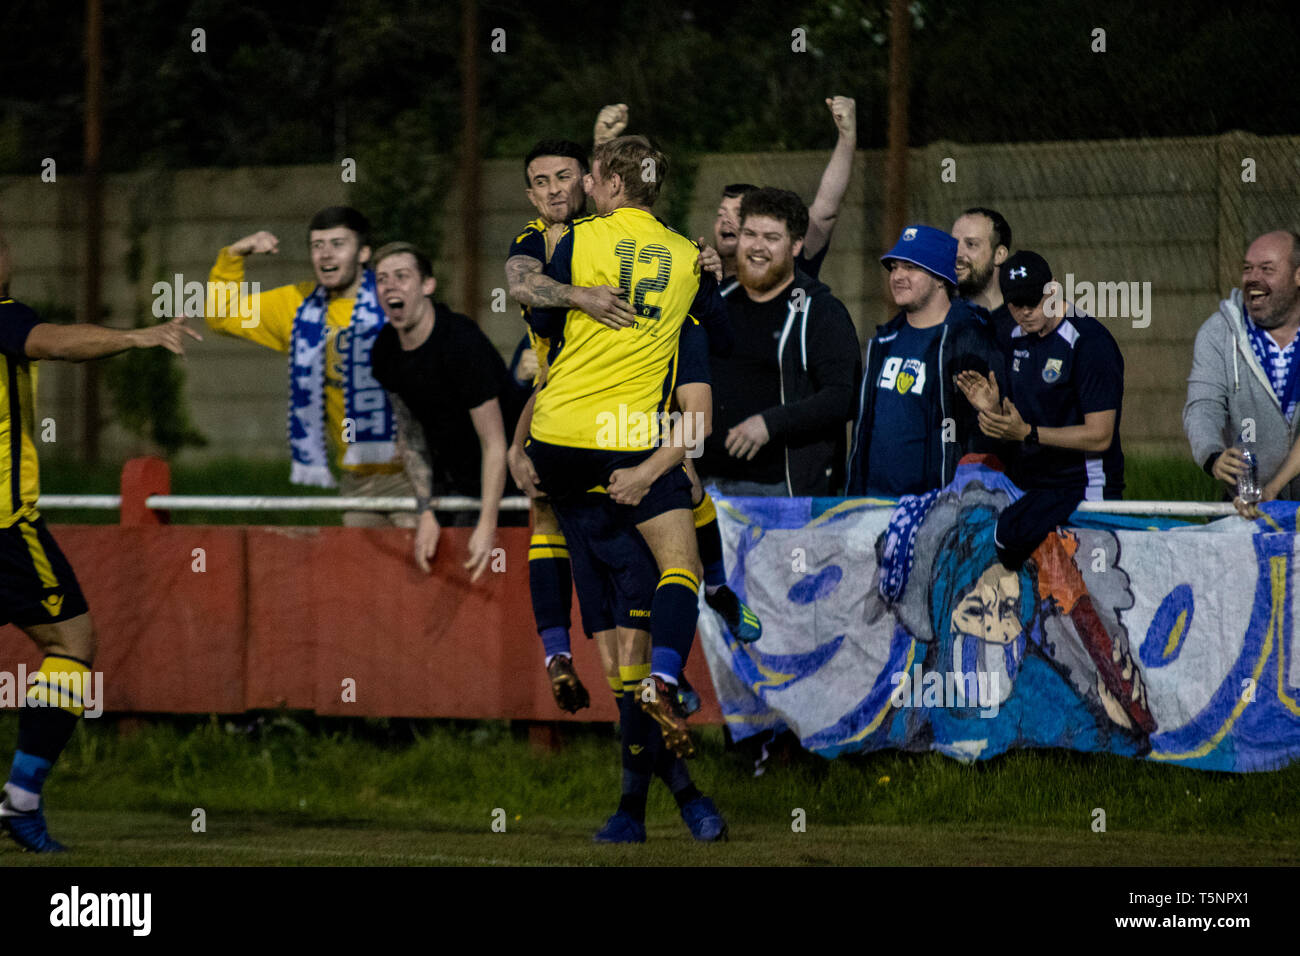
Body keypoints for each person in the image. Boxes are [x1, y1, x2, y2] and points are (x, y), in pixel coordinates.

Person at [519, 134, 732, 757]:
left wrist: (578, 297)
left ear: (610, 184)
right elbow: (711, 330)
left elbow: (533, 304)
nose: (581, 187)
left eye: (590, 178)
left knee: (568, 544)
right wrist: (706, 270)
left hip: (555, 439)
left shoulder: (578, 239)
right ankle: (665, 679)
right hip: (626, 442)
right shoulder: (687, 259)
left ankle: (564, 653)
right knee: (677, 568)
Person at [0, 232, 201, 852]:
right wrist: (135, 336)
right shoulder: (4, 318)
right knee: (72, 643)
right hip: (5, 527)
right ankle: (21, 802)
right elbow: (52, 341)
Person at [205, 206, 413, 527]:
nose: (326, 255)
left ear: (363, 252)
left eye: (338, 244)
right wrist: (234, 255)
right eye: (317, 246)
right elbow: (222, 316)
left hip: (414, 472)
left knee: (425, 572)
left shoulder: (397, 299)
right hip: (358, 478)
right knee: (365, 574)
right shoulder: (297, 305)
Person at [956, 251, 1125, 569]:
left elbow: (1100, 436)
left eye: (1034, 300)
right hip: (1034, 491)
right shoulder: (1015, 340)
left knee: (1090, 596)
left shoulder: (1089, 343)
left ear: (1054, 290)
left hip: (1086, 491)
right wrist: (993, 409)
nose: (1026, 311)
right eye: (1017, 304)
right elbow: (1019, 422)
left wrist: (1029, 434)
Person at [698, 187, 860, 495]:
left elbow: (843, 397)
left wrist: (770, 423)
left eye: (771, 238)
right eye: (749, 234)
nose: (757, 247)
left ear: (797, 245)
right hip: (706, 488)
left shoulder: (821, 311)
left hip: (781, 493)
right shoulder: (717, 302)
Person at [368, 242, 508, 581]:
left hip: (508, 476)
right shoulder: (385, 350)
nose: (391, 286)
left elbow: (495, 443)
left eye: (402, 276)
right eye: (383, 279)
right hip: (451, 479)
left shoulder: (461, 343)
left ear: (427, 285)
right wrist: (426, 509)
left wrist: (488, 523)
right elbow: (411, 436)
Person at [846, 224, 1005, 497]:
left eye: (911, 267)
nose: (897, 276)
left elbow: (987, 438)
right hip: (872, 506)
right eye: (894, 267)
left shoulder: (968, 339)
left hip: (938, 509)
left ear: (941, 278)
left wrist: (958, 504)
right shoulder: (884, 340)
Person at [1185, 230, 1300, 501]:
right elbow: (1202, 405)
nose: (1253, 278)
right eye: (1247, 269)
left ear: (1298, 276)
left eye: (1267, 269)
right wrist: (1212, 456)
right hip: (1244, 503)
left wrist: (1273, 488)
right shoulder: (1218, 332)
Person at [713, 96, 857, 283]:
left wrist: (847, 137)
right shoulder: (704, 278)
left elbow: (825, 212)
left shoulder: (788, 266)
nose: (726, 220)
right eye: (720, 213)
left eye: (738, 213)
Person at [952, 207, 1014, 344]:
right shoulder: (942, 316)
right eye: (954, 243)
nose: (957, 254)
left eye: (971, 244)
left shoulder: (1023, 321)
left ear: (999, 255)